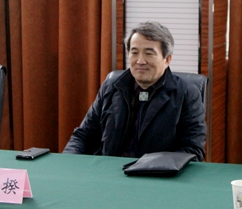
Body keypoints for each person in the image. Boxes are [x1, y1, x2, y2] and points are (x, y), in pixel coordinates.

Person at [63, 21, 206, 161]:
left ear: (167, 59)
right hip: (109, 171)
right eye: (134, 53)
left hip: (157, 173)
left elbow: (193, 150)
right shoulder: (112, 87)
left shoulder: (187, 93)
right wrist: (67, 163)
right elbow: (84, 136)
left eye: (149, 53)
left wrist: (151, 166)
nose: (140, 61)